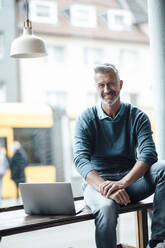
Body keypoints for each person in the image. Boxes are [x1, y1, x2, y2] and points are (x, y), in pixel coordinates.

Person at [74, 63, 165, 248]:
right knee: (106, 207)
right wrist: (106, 187)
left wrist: (122, 183)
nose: (107, 89)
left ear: (120, 84)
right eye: (101, 85)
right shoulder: (86, 118)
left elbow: (149, 154)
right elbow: (80, 159)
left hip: (130, 183)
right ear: (96, 88)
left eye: (111, 83)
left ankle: (158, 242)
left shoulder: (137, 116)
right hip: (99, 185)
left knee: (163, 169)